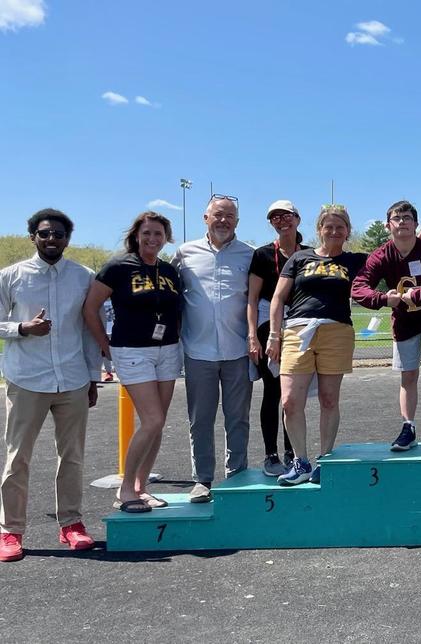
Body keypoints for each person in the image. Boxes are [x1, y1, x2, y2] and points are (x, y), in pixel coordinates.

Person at [0, 209, 101, 562]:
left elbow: (90, 329)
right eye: (44, 234)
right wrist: (22, 329)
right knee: (17, 458)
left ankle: (71, 524)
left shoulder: (83, 277)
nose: (51, 239)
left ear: (67, 239)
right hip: (26, 379)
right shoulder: (11, 276)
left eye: (58, 234)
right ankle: (10, 531)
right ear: (33, 237)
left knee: (71, 456)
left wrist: (92, 377)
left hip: (72, 380)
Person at [84, 211, 182, 513]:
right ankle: (125, 489)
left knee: (157, 423)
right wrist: (105, 345)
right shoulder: (118, 266)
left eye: (158, 234)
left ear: (166, 238)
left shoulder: (169, 270)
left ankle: (142, 487)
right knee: (151, 420)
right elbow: (90, 308)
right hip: (132, 350)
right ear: (136, 236)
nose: (153, 239)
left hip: (167, 348)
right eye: (147, 233)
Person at [266, 205, 367, 485]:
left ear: (348, 231)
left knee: (329, 399)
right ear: (319, 229)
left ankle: (326, 460)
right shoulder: (299, 257)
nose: (334, 231)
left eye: (340, 227)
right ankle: (300, 462)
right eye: (328, 226)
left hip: (336, 331)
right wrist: (274, 335)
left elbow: (391, 259)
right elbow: (277, 299)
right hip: (298, 330)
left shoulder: (355, 260)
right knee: (289, 401)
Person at [352, 200, 421, 450]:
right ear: (389, 225)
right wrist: (383, 299)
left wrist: (419, 294)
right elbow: (359, 287)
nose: (402, 222)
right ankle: (408, 426)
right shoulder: (381, 255)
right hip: (405, 322)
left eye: (407, 218)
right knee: (408, 375)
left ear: (416, 224)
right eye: (397, 219)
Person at [172, 195, 254, 503]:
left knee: (238, 417)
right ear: (205, 218)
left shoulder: (249, 255)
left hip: (238, 349)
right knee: (200, 419)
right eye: (217, 215)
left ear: (237, 221)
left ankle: (236, 476)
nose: (223, 220)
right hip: (197, 351)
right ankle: (202, 480)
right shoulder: (183, 253)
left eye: (229, 216)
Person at [247, 200, 308, 476]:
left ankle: (292, 452)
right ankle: (271, 455)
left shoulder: (309, 253)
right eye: (275, 218)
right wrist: (253, 336)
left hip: (299, 324)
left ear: (297, 218)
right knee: (273, 391)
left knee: (293, 394)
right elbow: (251, 298)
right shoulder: (262, 255)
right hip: (266, 325)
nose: (281, 221)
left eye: (286, 216)